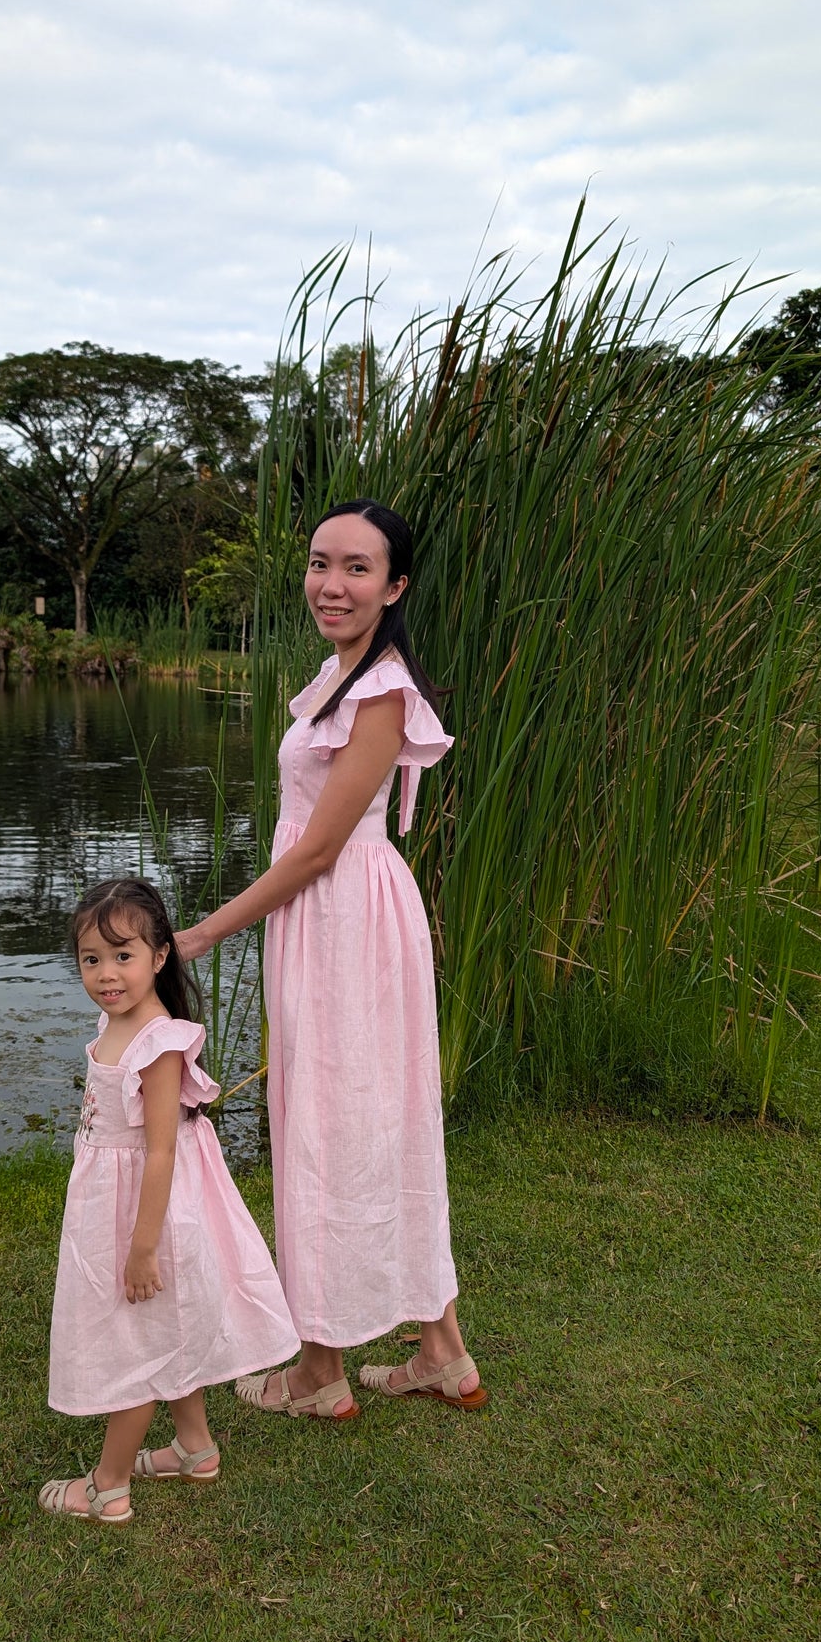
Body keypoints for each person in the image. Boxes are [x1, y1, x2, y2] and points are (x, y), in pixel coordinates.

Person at [175, 501, 486, 1422]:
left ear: (394, 586)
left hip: (343, 915)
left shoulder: (383, 692)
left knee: (333, 1124)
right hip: (329, 915)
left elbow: (314, 851)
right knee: (366, 1120)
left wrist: (197, 934)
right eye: (319, 563)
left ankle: (318, 1368)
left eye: (357, 568)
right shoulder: (335, 676)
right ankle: (442, 1352)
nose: (332, 584)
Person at [40, 877, 299, 1523]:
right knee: (165, 1330)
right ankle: (194, 1445)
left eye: (123, 955)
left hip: (146, 1214)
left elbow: (160, 1151)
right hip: (114, 1201)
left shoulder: (159, 1042)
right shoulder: (117, 1019)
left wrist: (142, 1247)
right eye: (90, 959)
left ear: (160, 956)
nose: (105, 973)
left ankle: (107, 1485)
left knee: (136, 1344)